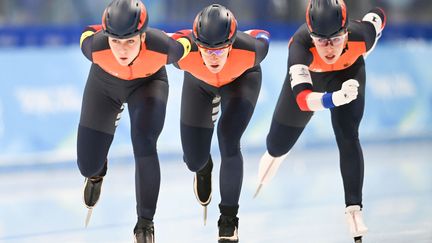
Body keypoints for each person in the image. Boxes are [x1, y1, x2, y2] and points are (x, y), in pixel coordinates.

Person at [254, 0, 386, 242]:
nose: (328, 48)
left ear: (346, 32)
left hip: (348, 73)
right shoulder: (300, 46)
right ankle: (277, 155)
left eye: (335, 39)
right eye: (321, 40)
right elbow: (304, 100)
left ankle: (354, 209)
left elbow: (377, 16)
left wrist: (367, 47)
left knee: (348, 135)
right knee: (276, 145)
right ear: (310, 35)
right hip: (312, 84)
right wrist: (334, 98)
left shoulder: (362, 36)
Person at [77, 0, 191, 242]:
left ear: (143, 36)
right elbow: (87, 32)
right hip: (105, 86)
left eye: (130, 41)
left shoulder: (164, 48)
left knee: (144, 142)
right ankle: (97, 172)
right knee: (87, 165)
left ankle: (145, 224)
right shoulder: (93, 48)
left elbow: (187, 40)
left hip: (147, 85)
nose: (122, 50)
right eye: (115, 41)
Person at [171, 4, 270, 243]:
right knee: (193, 159)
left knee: (228, 137)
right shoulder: (181, 54)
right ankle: (203, 168)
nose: (213, 56)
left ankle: (228, 219)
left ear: (232, 43)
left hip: (241, 80)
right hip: (199, 83)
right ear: (196, 43)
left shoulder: (253, 51)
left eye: (220, 49)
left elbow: (261, 34)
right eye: (206, 49)